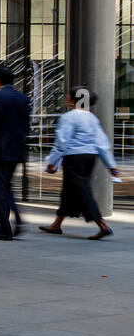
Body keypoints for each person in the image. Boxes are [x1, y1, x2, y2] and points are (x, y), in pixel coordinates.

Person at [39, 87, 120, 240]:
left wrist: (52, 162)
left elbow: (62, 143)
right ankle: (56, 225)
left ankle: (103, 226)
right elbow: (101, 143)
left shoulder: (69, 117)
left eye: (68, 95)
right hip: (89, 158)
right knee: (69, 191)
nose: (65, 97)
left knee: (83, 192)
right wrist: (111, 165)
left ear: (75, 100)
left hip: (74, 159)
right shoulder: (92, 118)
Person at [0, 65, 29, 240]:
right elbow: (26, 124)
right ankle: (16, 218)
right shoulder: (23, 98)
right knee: (7, 186)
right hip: (17, 148)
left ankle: (4, 228)